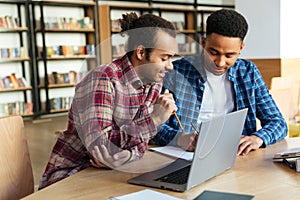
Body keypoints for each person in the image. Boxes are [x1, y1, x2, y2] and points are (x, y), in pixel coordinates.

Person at [39, 12, 177, 189]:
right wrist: (154, 120)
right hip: (73, 173)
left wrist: (127, 156)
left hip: (115, 170)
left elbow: (141, 144)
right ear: (141, 52)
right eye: (164, 58)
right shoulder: (103, 79)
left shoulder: (153, 82)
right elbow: (100, 146)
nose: (170, 66)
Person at [151, 9, 287, 155]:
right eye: (213, 53)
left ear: (241, 48)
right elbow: (153, 126)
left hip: (237, 157)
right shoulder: (175, 72)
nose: (220, 63)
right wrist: (179, 138)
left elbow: (278, 123)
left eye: (230, 55)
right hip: (187, 157)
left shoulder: (248, 72)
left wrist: (258, 138)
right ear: (203, 42)